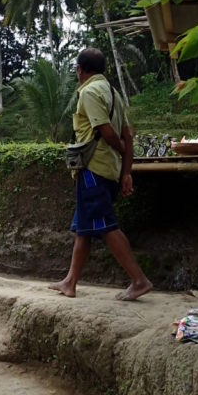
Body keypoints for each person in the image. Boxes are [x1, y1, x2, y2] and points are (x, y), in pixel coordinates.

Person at [51, 47, 153, 301]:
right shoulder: (114, 94)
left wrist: (119, 153)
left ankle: (139, 280)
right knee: (85, 228)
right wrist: (126, 171)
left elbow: (108, 133)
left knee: (105, 225)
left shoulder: (88, 92)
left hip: (92, 168)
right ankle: (70, 282)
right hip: (108, 170)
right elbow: (128, 136)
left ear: (80, 70)